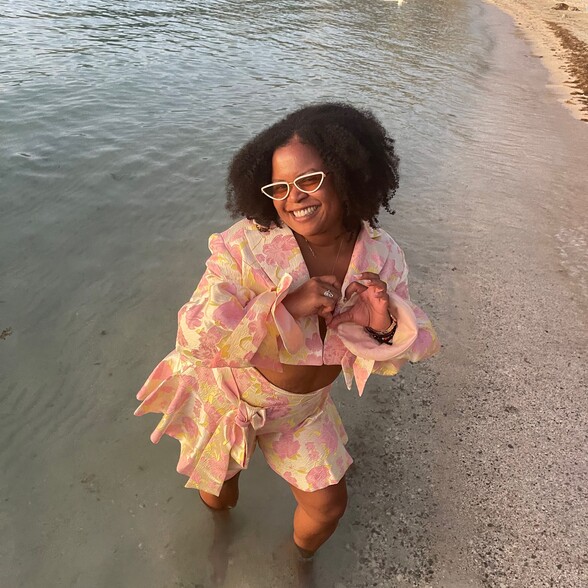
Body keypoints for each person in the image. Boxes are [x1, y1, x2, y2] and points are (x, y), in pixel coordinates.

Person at [135, 102, 439, 557]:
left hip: (303, 412)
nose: (294, 197)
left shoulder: (382, 256)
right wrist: (285, 307)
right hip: (229, 399)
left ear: (346, 173)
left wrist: (381, 321)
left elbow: (409, 347)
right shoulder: (244, 245)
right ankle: (219, 546)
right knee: (220, 494)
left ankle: (297, 565)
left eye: (309, 180)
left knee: (327, 507)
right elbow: (195, 332)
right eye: (280, 187)